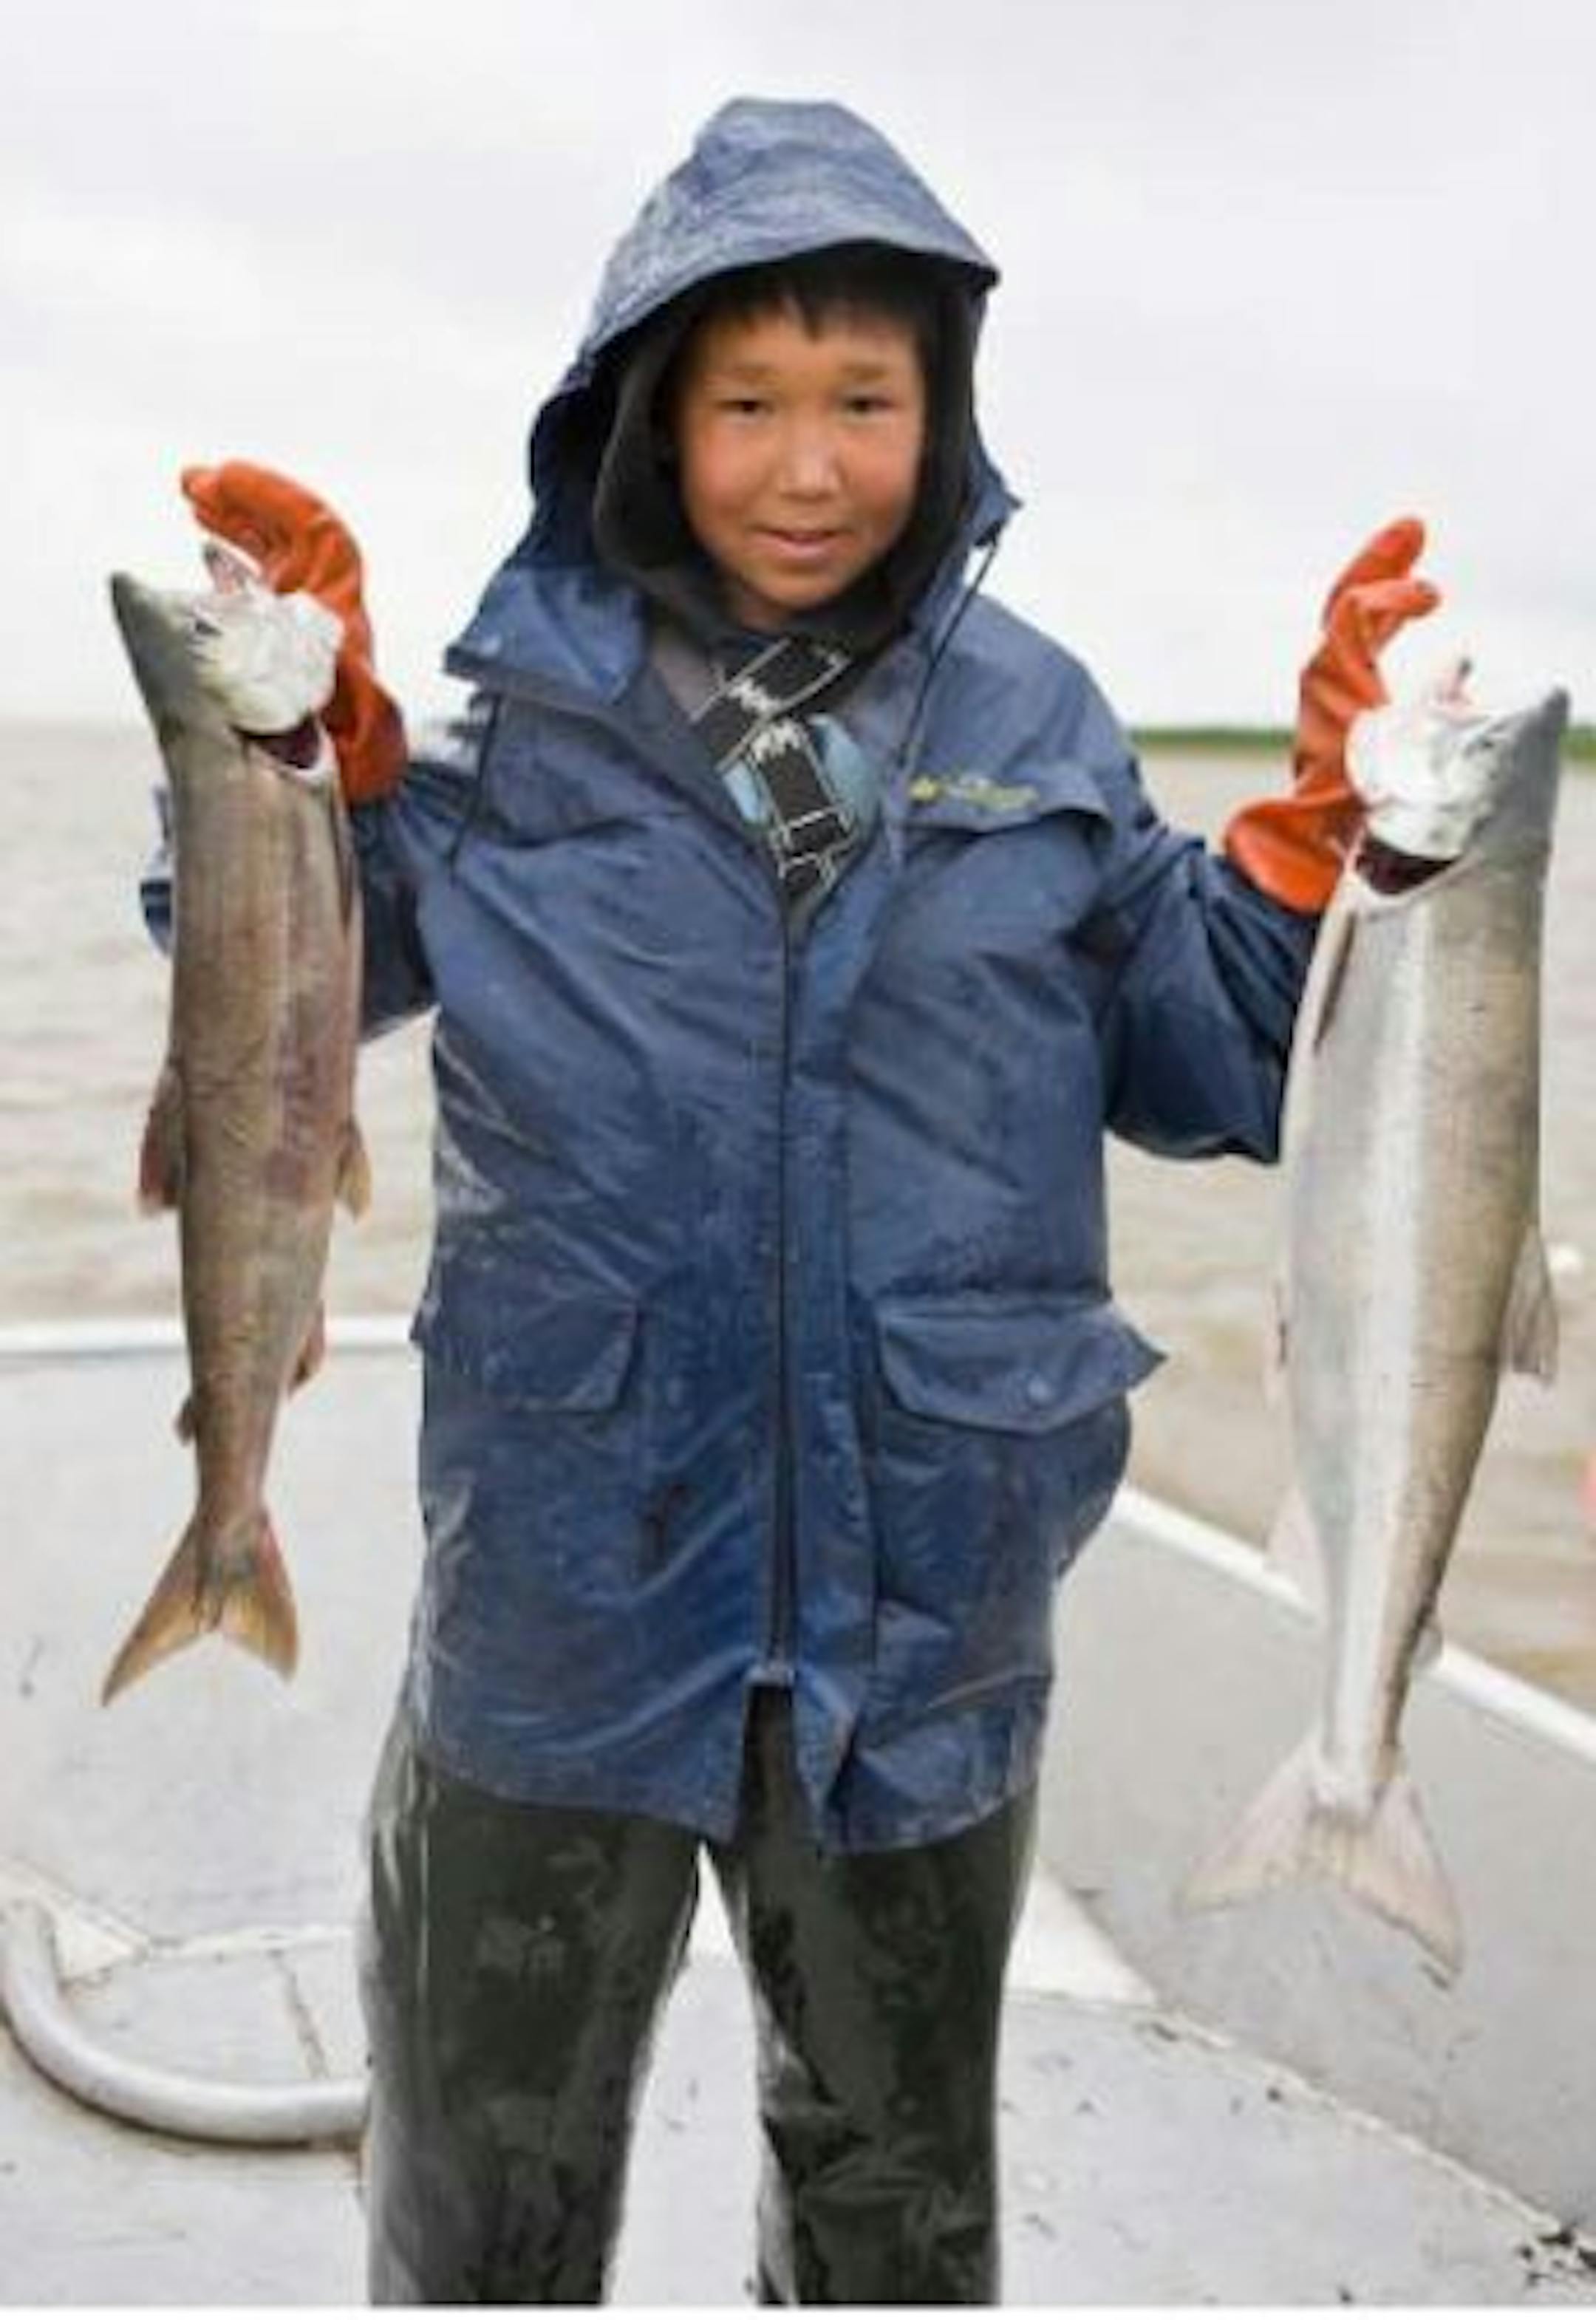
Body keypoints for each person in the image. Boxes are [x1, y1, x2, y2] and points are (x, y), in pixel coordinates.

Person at [163, 97, 1439, 2306]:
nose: (809, 463)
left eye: (866, 399)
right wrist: (280, 772)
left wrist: (1337, 864)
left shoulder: (1034, 715)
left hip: (926, 1612)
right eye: (748, 403)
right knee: (483, 2186)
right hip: (562, 1585)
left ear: (941, 415)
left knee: (897, 2208)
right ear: (652, 424)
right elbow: (273, 991)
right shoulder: (513, 729)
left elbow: (1217, 1053)